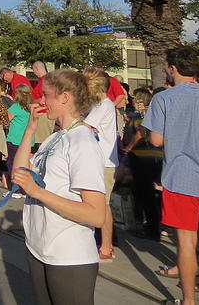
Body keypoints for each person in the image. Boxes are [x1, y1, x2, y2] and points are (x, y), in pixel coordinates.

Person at [12, 68, 106, 305]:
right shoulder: (56, 137)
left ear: (65, 97)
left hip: (69, 257)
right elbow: (19, 174)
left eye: (46, 95)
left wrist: (37, 192)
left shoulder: (82, 141)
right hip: (39, 249)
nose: (40, 101)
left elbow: (96, 214)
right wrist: (31, 128)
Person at [142, 46, 199, 305]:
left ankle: (188, 300)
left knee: (186, 243)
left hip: (181, 179)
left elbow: (156, 140)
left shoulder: (164, 99)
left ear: (173, 68)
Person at [83, 69, 120, 262]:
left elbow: (84, 127)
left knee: (103, 205)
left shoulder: (103, 105)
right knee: (98, 203)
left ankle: (106, 246)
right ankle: (103, 242)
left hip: (103, 162)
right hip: (98, 161)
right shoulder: (99, 105)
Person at [122, 88, 163, 240]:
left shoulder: (141, 116)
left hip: (141, 156)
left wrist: (128, 148)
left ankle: (147, 226)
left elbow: (140, 133)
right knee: (152, 194)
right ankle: (154, 225)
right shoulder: (158, 115)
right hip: (157, 156)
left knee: (142, 193)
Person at [4, 84, 34, 197]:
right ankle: (24, 190)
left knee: (12, 164)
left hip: (15, 139)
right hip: (28, 140)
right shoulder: (31, 107)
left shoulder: (15, 107)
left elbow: (6, 121)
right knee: (25, 166)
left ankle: (16, 190)